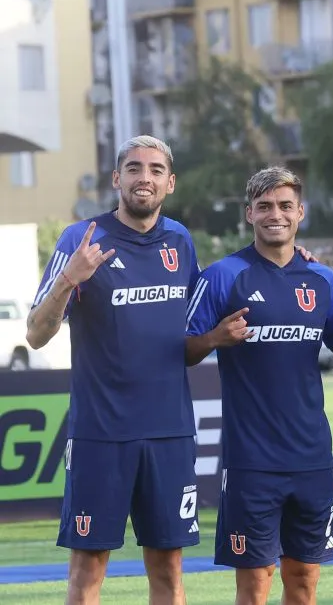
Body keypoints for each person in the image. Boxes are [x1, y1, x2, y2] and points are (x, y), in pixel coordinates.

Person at [183, 167, 333, 605]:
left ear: (301, 213)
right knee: (254, 585)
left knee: (304, 580)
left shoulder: (322, 279)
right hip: (252, 462)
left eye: (285, 206)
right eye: (265, 207)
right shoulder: (223, 276)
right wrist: (216, 338)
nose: (276, 215)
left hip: (312, 458)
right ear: (248, 213)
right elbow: (181, 349)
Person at [25, 135, 201, 605]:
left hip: (168, 432)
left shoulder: (181, 241)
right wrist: (68, 279)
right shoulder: (81, 240)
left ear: (170, 182)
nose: (145, 178)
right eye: (135, 168)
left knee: (168, 569)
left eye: (156, 170)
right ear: (116, 178)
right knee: (87, 572)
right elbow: (36, 334)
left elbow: (199, 318)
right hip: (101, 435)